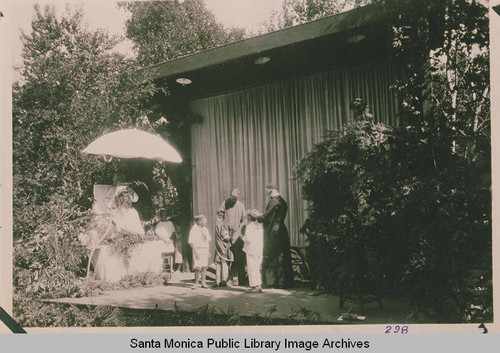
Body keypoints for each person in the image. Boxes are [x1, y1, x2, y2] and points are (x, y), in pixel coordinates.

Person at [261, 184, 294, 289]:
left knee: (272, 255)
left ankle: (272, 282)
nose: (267, 194)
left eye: (267, 192)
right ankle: (283, 282)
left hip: (274, 232)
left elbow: (267, 217)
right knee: (282, 256)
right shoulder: (282, 201)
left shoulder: (273, 201)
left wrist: (256, 217)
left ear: (271, 191)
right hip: (282, 230)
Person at [218, 188, 246, 286]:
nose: (234, 200)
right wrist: (223, 232)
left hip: (236, 234)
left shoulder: (241, 206)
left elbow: (243, 221)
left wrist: (238, 233)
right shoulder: (224, 204)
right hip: (225, 232)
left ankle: (236, 278)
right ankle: (224, 279)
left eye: (236, 198)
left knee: (237, 257)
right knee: (225, 256)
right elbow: (219, 219)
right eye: (233, 198)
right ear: (230, 196)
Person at [242, 209, 264, 293]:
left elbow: (248, 239)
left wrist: (243, 237)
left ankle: (255, 286)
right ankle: (258, 285)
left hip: (251, 249)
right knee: (257, 267)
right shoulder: (259, 226)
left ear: (249, 217)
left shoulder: (250, 226)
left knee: (252, 268)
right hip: (258, 249)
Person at [188, 214, 211, 289]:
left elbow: (207, 241)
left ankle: (203, 282)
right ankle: (196, 283)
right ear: (199, 221)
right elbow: (192, 242)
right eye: (204, 220)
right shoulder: (193, 230)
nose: (206, 221)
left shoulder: (205, 229)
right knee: (198, 267)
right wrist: (196, 252)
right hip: (197, 249)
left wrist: (208, 251)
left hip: (204, 249)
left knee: (204, 266)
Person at [213, 211, 233, 287]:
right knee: (223, 264)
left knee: (219, 264)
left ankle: (218, 280)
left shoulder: (217, 226)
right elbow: (226, 237)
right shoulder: (223, 226)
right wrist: (231, 238)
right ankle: (224, 280)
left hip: (219, 246)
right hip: (223, 247)